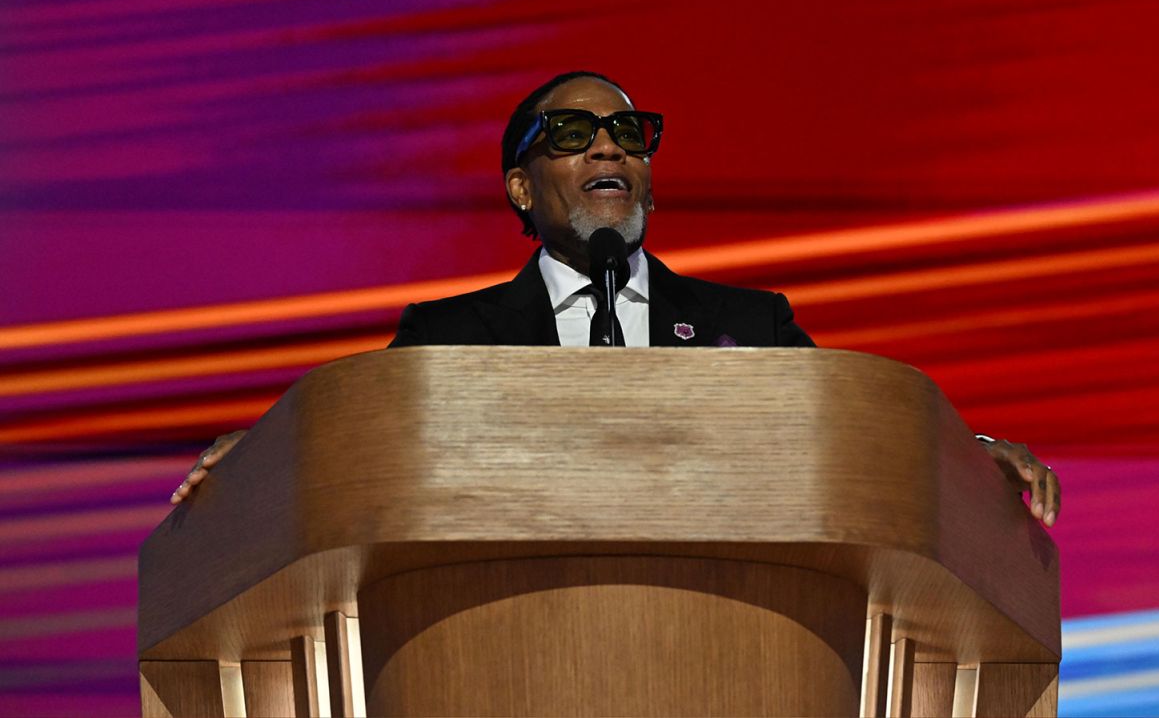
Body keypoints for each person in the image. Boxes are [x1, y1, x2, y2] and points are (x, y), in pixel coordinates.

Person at [172, 71, 1061, 526]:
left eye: (627, 134)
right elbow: (367, 458)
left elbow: (857, 433)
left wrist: (967, 453)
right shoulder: (448, 338)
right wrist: (266, 461)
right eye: (572, 135)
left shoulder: (748, 326)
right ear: (522, 189)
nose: (609, 151)